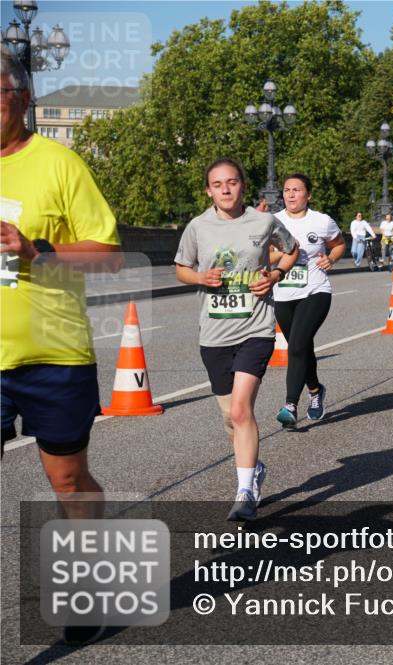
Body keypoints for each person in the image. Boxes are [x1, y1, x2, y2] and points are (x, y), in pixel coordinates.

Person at [1, 52, 124, 646]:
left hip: (55, 353)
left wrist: (36, 250)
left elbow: (107, 254)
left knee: (69, 480)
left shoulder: (60, 163)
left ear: (22, 100)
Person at [175, 157, 299, 521]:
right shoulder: (198, 227)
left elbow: (291, 250)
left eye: (232, 182)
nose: (226, 189)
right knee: (230, 418)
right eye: (217, 184)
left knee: (243, 410)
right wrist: (201, 279)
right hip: (214, 333)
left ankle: (245, 491)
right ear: (208, 190)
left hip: (256, 327)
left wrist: (274, 275)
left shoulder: (264, 221)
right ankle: (254, 468)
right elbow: (181, 268)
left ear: (243, 185)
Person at [271, 174, 345, 429]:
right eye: (287, 190)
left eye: (297, 190)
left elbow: (338, 244)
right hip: (283, 292)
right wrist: (285, 252)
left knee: (297, 346)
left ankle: (290, 405)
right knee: (300, 347)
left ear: (308, 195)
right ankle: (315, 390)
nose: (291, 195)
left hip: (316, 290)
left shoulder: (321, 221)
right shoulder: (273, 221)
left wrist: (331, 259)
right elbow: (265, 254)